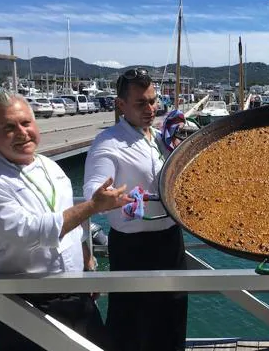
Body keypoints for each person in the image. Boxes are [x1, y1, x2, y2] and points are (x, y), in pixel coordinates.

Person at [0, 92, 130, 351]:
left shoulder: (49, 166)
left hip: (76, 293)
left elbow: (72, 222)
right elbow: (30, 233)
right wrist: (92, 206)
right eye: (9, 127)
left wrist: (87, 261)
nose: (22, 133)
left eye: (26, 123)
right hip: (27, 302)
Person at [83, 68, 188, 351]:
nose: (151, 109)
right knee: (130, 327)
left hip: (171, 242)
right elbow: (93, 187)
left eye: (153, 101)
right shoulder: (107, 144)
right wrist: (101, 197)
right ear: (121, 105)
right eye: (141, 103)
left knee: (174, 321)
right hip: (133, 248)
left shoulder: (159, 138)